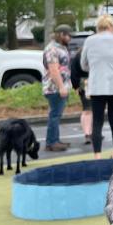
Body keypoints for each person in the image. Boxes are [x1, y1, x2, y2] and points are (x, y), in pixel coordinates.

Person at [80, 14, 113, 160]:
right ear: (111, 26)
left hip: (98, 84)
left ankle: (97, 155)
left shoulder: (90, 40)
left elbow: (83, 64)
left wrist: (94, 68)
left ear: (98, 27)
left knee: (98, 121)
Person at [42, 23, 73, 152]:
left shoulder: (61, 47)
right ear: (61, 35)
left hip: (61, 86)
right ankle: (51, 142)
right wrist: (61, 87)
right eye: (68, 35)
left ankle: (56, 139)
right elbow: (54, 70)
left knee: (57, 114)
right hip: (54, 88)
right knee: (54, 115)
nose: (70, 38)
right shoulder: (52, 49)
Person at [70, 47, 92, 145]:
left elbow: (73, 72)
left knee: (88, 109)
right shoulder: (86, 56)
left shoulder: (77, 56)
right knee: (88, 110)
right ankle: (88, 133)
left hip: (83, 84)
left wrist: (76, 86)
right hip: (89, 84)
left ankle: (89, 132)